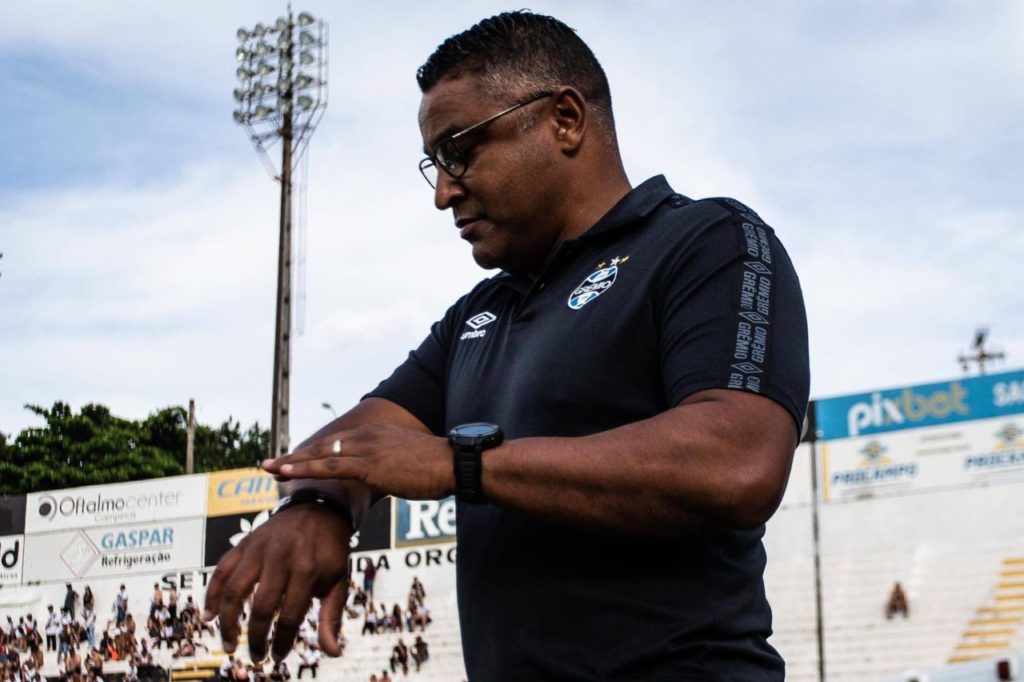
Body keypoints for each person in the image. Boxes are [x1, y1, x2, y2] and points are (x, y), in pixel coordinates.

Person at [203, 10, 809, 681]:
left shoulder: (706, 242)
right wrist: (319, 504)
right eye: (433, 162)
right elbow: (362, 439)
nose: (442, 192)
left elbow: (738, 462)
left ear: (565, 120)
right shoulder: (478, 316)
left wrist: (463, 465)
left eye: (459, 149)